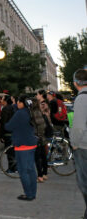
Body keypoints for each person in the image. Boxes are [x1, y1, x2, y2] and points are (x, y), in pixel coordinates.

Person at [5, 95, 37, 201]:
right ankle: (33, 192)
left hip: (22, 145)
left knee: (23, 171)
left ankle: (28, 194)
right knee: (31, 170)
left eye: (18, 102)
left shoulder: (20, 113)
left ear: (21, 103)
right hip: (31, 143)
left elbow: (8, 126)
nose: (17, 103)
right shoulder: (29, 111)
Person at [70, 69, 87, 219]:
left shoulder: (82, 98)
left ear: (76, 83)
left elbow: (79, 126)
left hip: (84, 146)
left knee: (84, 182)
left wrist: (74, 143)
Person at [30, 98, 47, 183]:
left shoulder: (33, 112)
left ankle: (40, 176)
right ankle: (45, 174)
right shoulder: (39, 111)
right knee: (43, 156)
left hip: (37, 137)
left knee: (37, 158)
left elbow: (38, 124)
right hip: (42, 137)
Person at [0, 95, 16, 173]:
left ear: (5, 100)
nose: (1, 101)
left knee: (9, 152)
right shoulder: (13, 108)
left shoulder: (5, 109)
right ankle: (15, 167)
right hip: (13, 132)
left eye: (2, 99)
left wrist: (1, 135)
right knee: (13, 151)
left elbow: (3, 123)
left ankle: (11, 168)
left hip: (7, 133)